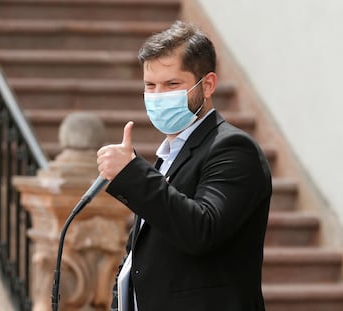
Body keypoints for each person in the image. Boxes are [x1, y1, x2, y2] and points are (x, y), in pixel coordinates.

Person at [96, 20, 272, 311]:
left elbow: (202, 229)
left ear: (208, 85)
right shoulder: (170, 155)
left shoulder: (232, 149)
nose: (157, 96)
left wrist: (132, 173)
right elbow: (141, 256)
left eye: (172, 84)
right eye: (149, 85)